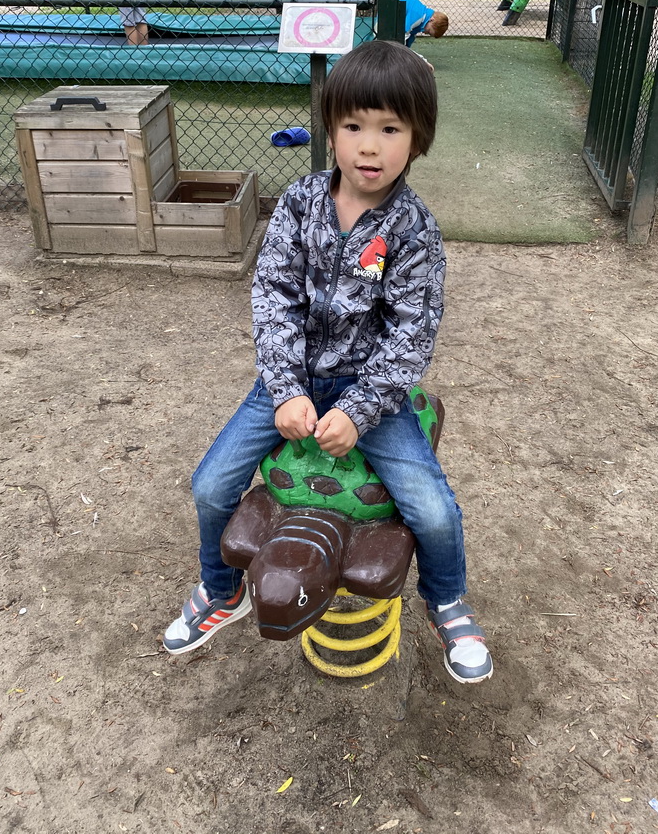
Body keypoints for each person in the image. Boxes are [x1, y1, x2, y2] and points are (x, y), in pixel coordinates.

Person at [163, 40, 493, 685]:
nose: (369, 146)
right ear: (331, 130)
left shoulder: (413, 230)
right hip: (289, 378)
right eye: (353, 126)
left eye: (389, 129)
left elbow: (410, 334)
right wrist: (284, 388)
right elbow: (273, 297)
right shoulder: (298, 203)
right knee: (210, 485)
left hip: (373, 391)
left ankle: (446, 598)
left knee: (430, 508)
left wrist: (359, 410)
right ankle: (222, 589)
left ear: (417, 139)